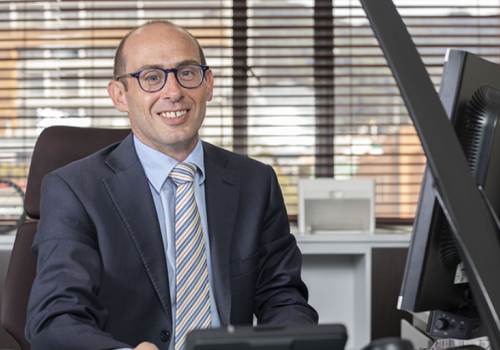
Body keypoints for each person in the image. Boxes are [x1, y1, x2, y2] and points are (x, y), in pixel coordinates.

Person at [25, 20, 318, 350]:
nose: (174, 91)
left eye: (187, 73)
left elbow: (283, 299)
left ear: (207, 84)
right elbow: (56, 318)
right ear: (119, 96)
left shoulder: (255, 182)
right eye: (151, 78)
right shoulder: (74, 190)